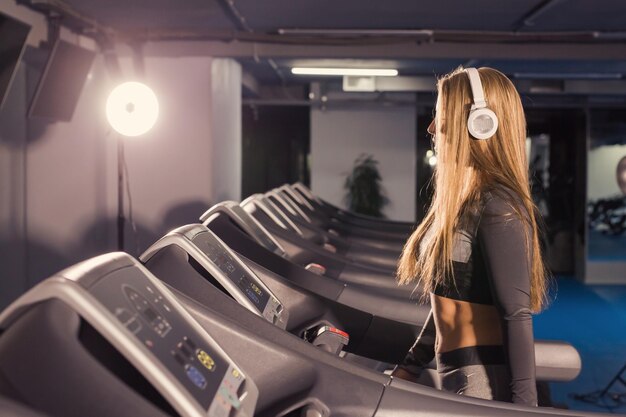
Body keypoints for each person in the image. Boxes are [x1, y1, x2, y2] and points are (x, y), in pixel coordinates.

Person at [393, 66, 550, 407]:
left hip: (482, 380)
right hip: (454, 373)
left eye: (441, 117)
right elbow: (448, 300)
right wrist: (410, 365)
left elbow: (516, 315)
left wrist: (526, 410)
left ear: (480, 124)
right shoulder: (460, 203)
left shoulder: (498, 205)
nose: (432, 128)